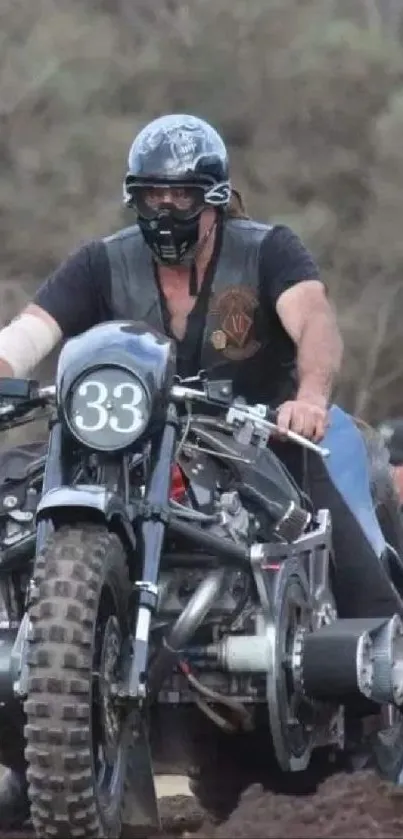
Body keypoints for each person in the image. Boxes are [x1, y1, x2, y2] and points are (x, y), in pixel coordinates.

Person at [0, 113, 402, 825]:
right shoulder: (101, 262)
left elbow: (313, 321)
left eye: (181, 196)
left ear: (213, 200)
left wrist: (308, 399)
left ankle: (379, 715)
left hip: (252, 440)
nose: (164, 210)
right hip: (123, 446)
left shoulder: (267, 250)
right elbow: (28, 336)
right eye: (151, 196)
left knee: (355, 562)